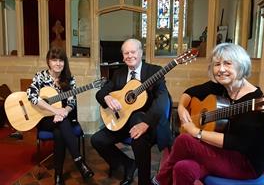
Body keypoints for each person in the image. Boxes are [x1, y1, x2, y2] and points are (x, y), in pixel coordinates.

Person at [152, 43, 264, 185]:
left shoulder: (255, 101)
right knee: (182, 168)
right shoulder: (220, 86)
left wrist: (197, 132)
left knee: (184, 140)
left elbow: (238, 142)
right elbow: (190, 92)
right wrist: (182, 108)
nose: (221, 69)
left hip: (245, 163)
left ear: (241, 66)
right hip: (219, 151)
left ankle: (159, 180)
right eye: (217, 64)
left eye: (227, 64)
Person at [91, 38, 170, 185]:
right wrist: (107, 97)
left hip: (146, 122)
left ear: (141, 53)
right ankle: (127, 164)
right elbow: (100, 93)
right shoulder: (118, 74)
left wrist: (146, 123)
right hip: (122, 121)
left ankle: (144, 181)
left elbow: (163, 100)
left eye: (133, 52)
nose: (129, 55)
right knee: (96, 140)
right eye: (126, 53)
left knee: (138, 134)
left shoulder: (154, 71)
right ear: (122, 56)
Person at [27, 47, 93, 185]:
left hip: (61, 118)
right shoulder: (40, 76)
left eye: (61, 60)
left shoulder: (69, 79)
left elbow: (71, 102)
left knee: (59, 132)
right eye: (54, 60)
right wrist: (54, 110)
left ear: (65, 62)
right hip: (43, 118)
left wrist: (64, 112)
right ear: (48, 61)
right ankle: (79, 162)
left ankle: (58, 175)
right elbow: (31, 96)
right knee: (63, 124)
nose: (58, 63)